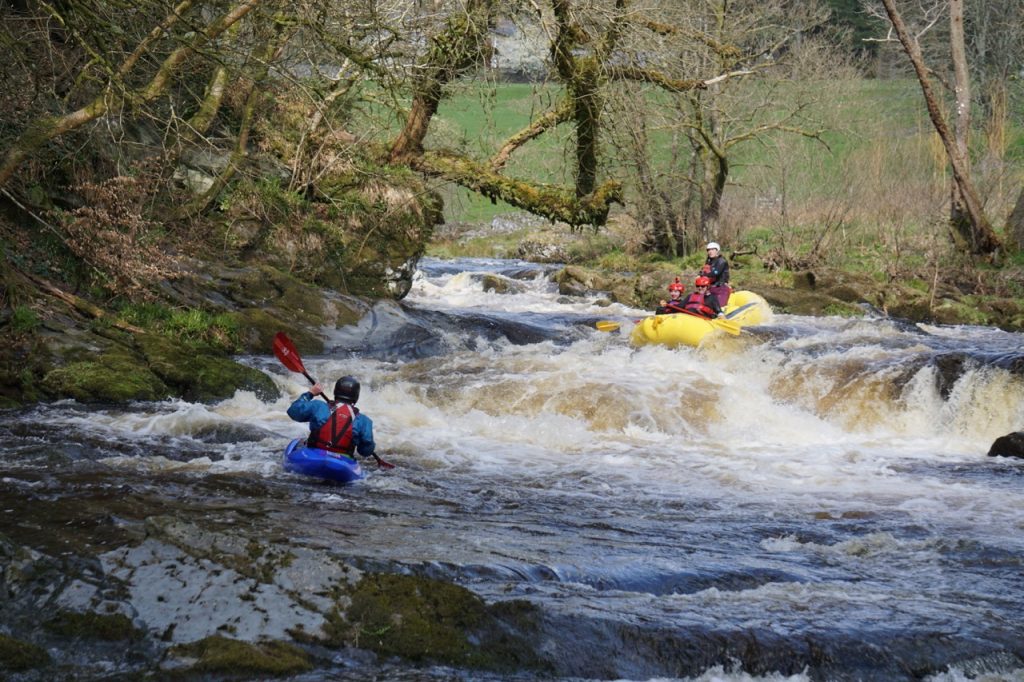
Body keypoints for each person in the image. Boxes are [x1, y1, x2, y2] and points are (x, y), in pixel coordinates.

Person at [287, 375, 377, 459]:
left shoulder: (318, 406)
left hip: (314, 454)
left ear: (335, 391)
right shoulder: (364, 421)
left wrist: (310, 393)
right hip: (342, 462)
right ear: (356, 396)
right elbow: (365, 451)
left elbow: (293, 411)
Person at [700, 241, 732, 307]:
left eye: (712, 249)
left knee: (719, 306)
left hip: (721, 288)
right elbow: (704, 271)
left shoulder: (721, 261)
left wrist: (704, 274)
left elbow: (716, 272)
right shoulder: (709, 261)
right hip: (711, 288)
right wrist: (701, 273)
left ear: (717, 250)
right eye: (708, 250)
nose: (710, 252)